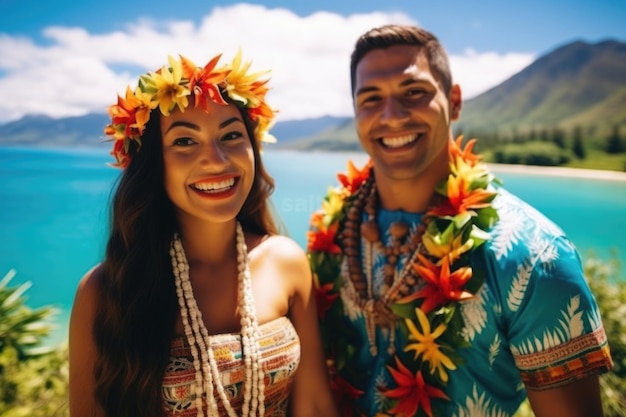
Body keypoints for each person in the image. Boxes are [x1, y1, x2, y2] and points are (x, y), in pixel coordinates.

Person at [307, 24, 614, 417]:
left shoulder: (534, 254)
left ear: (454, 101)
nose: (392, 116)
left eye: (413, 93)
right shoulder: (331, 233)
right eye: (371, 99)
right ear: (355, 112)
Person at [69, 50, 339, 417]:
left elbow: (316, 406)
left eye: (230, 135)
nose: (216, 159)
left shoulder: (286, 262)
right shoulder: (106, 291)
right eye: (184, 141)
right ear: (153, 164)